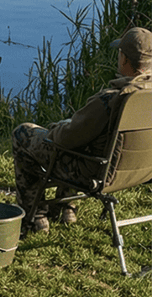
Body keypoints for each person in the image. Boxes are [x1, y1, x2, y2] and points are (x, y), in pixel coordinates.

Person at [12, 27, 152, 235]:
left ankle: (36, 218)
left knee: (23, 134)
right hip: (140, 170)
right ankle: (67, 209)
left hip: (97, 174)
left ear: (124, 60)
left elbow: (66, 139)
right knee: (84, 135)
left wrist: (55, 129)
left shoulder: (112, 100)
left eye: (119, 53)